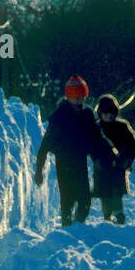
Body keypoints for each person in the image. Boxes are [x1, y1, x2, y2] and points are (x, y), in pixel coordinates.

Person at [34, 76, 118, 225]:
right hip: (64, 162)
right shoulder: (59, 116)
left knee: (85, 199)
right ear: (68, 97)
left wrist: (109, 151)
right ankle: (67, 226)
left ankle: (78, 224)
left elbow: (96, 138)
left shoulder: (87, 115)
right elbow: (46, 144)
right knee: (67, 198)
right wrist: (39, 169)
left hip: (80, 162)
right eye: (75, 96)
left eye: (81, 96)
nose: (79, 99)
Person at [91, 94, 135, 224]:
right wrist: (96, 159)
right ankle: (107, 218)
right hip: (101, 168)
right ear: (100, 112)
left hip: (118, 167)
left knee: (117, 194)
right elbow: (90, 146)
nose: (109, 116)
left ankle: (119, 217)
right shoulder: (96, 128)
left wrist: (128, 160)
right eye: (106, 112)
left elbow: (134, 145)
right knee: (104, 195)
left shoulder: (122, 126)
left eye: (112, 112)